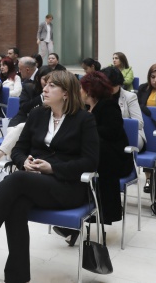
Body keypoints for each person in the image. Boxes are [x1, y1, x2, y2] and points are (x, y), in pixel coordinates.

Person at [0, 71, 100, 283]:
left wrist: (52, 168)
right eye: (46, 85)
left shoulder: (84, 120)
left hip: (67, 187)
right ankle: (16, 277)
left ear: (66, 93)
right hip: (34, 184)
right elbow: (18, 150)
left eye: (52, 86)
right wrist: (24, 161)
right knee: (16, 205)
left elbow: (90, 161)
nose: (44, 89)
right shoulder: (37, 114)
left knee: (16, 180)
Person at [53, 71, 132, 244]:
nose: (79, 92)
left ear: (89, 91)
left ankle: (75, 223)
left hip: (114, 158)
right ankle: (74, 221)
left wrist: (87, 129)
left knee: (79, 166)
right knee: (72, 162)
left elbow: (112, 132)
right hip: (99, 154)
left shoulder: (109, 106)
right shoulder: (86, 108)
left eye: (81, 89)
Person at [0, 66, 53, 171]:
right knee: (19, 131)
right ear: (38, 78)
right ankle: (16, 170)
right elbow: (24, 107)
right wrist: (41, 97)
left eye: (50, 81)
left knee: (20, 134)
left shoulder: (55, 94)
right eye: (44, 79)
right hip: (18, 123)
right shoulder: (29, 88)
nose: (46, 83)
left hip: (36, 127)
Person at [101, 66, 145, 150]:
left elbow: (139, 123)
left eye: (112, 85)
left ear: (119, 83)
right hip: (107, 134)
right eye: (106, 86)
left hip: (130, 133)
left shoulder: (130, 97)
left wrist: (115, 123)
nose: (109, 89)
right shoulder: (100, 96)